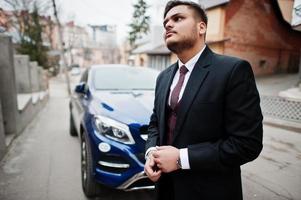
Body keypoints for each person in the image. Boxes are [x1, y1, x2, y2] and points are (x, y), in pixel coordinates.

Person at [144, 1, 263, 200]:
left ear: (202, 27)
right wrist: (150, 154)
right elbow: (155, 123)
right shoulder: (163, 77)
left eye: (178, 18)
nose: (168, 25)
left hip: (210, 192)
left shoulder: (233, 71)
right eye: (166, 22)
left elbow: (247, 144)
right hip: (164, 190)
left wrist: (181, 159)